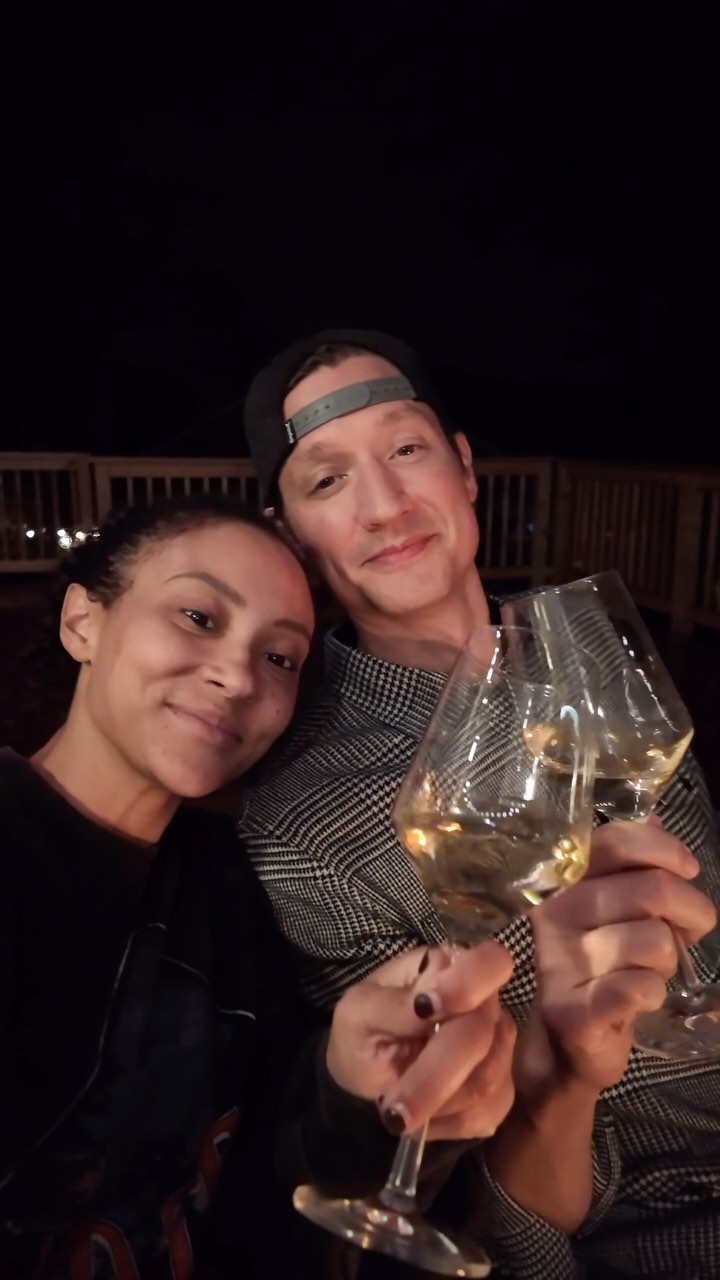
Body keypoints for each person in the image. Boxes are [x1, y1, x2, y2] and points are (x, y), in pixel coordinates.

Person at [240, 329, 720, 1278]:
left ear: (462, 468)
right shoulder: (303, 816)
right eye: (328, 480)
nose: (385, 505)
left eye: (406, 448)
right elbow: (469, 1180)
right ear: (292, 532)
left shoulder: (592, 646)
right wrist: (562, 1065)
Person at [0, 494, 519, 1280]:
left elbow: (281, 1188)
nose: (238, 676)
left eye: (280, 657)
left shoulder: (235, 893)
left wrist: (355, 1092)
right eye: (198, 617)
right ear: (84, 623)